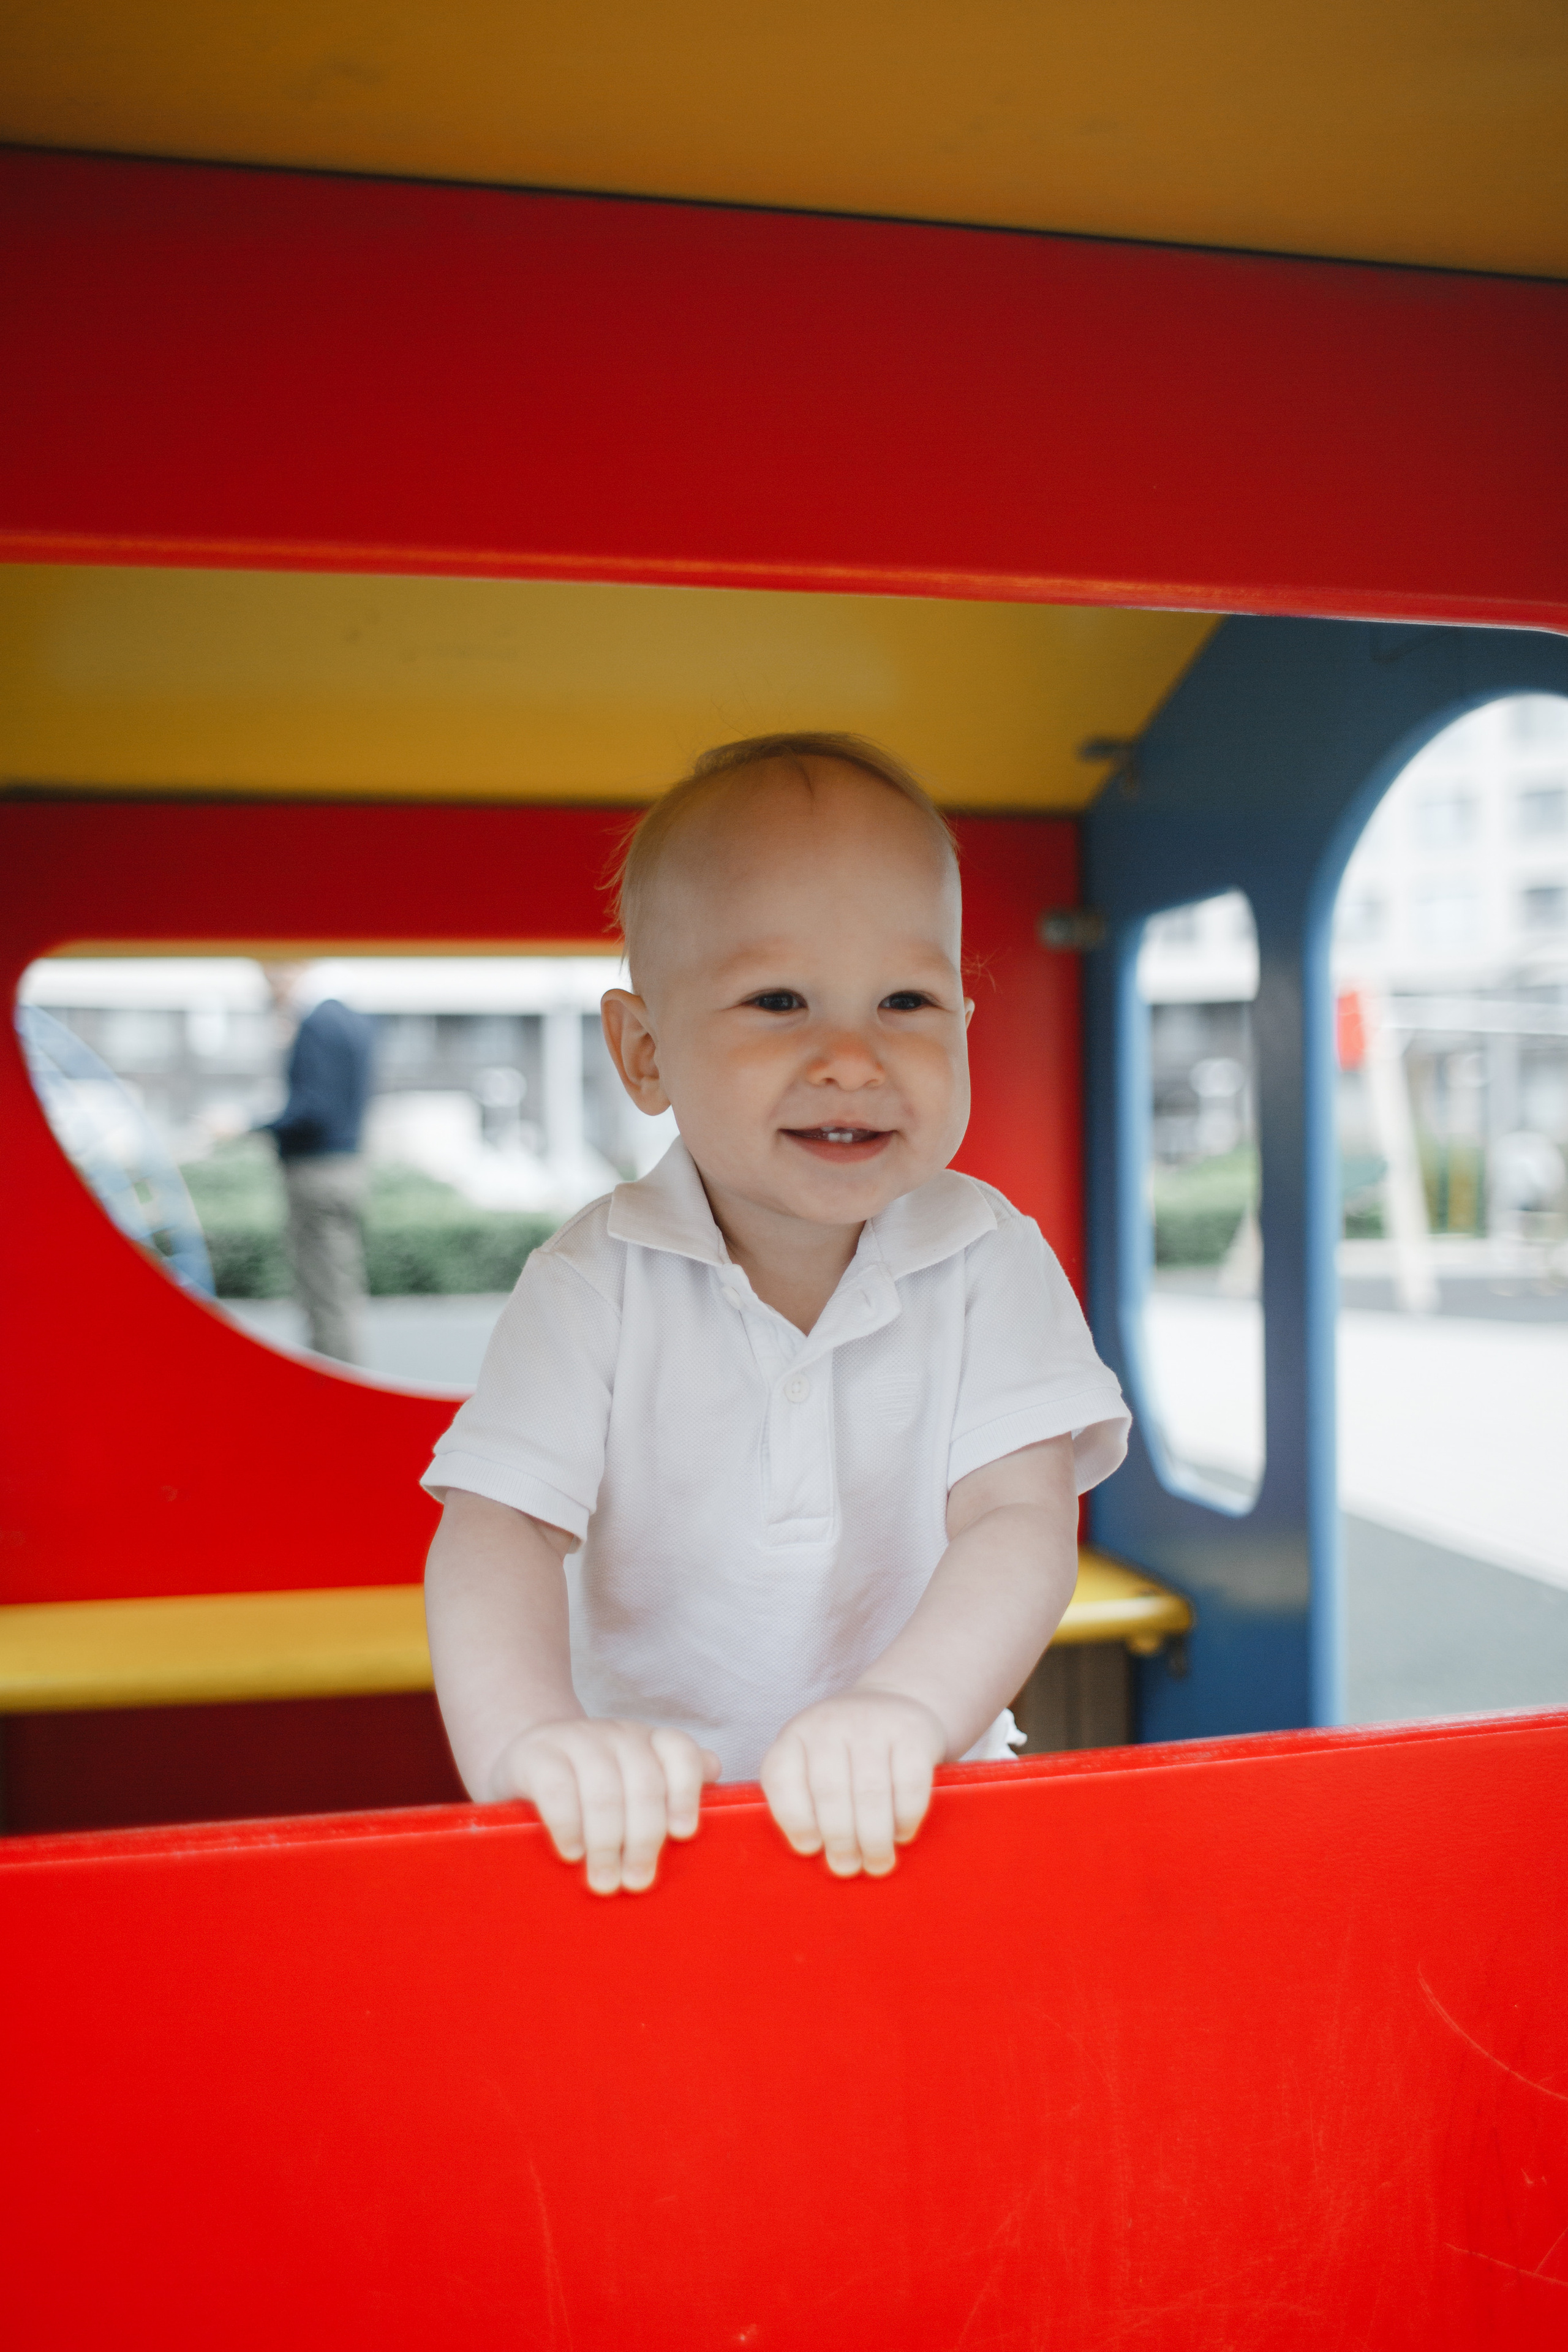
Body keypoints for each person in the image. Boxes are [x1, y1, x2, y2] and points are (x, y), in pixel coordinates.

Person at [423, 734, 1129, 1894]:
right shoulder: (596, 1280)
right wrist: (530, 1739)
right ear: (644, 1052)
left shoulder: (985, 1256)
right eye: (779, 1000)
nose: (851, 1058)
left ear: (963, 1018)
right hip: (651, 1826)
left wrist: (906, 1709)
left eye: (906, 1000)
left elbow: (1019, 1521)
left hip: (925, 1797)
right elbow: (498, 1530)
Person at [257, 964, 375, 1365]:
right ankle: (343, 1380)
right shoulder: (355, 1020)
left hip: (316, 1172)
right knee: (339, 1290)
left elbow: (311, 1110)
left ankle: (338, 1386)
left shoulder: (316, 1023)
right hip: (347, 1167)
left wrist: (248, 1124)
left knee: (323, 1296)